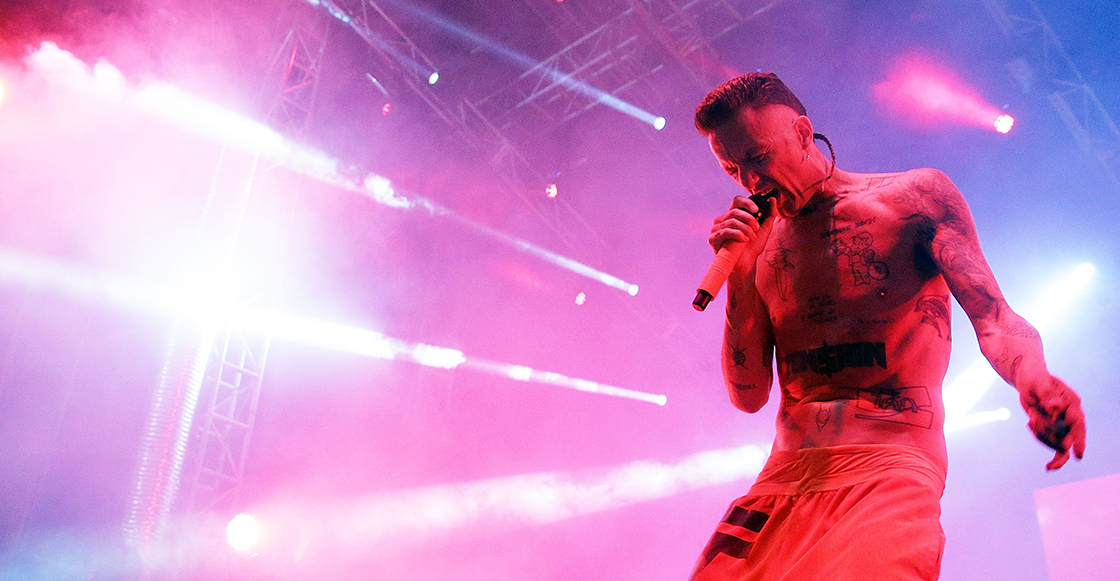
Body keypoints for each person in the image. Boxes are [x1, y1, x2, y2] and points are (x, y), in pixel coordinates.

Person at [688, 72, 1087, 581]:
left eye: (758, 157)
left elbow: (993, 315)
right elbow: (747, 396)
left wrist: (1035, 378)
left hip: (887, 471)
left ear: (803, 134)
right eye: (732, 169)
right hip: (781, 481)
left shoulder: (912, 198)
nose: (750, 180)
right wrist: (741, 274)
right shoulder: (757, 244)